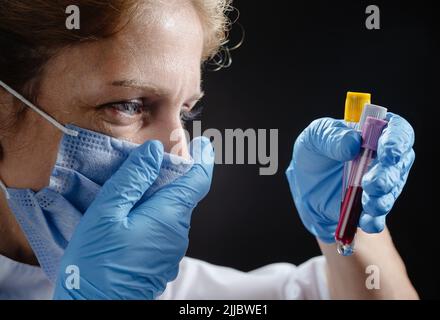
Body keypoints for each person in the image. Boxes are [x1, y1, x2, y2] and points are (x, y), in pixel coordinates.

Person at [0, 0, 418, 299]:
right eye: (127, 106)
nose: (177, 154)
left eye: (186, 110)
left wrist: (350, 217)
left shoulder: (166, 290)